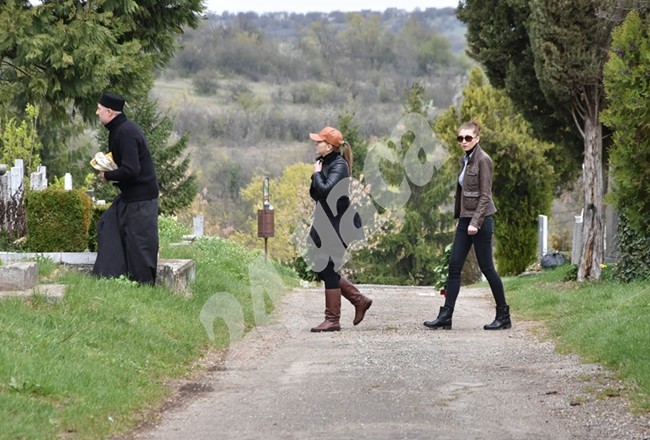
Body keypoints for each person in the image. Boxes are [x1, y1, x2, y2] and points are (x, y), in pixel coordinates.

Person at [424, 120, 511, 330]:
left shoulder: (483, 160)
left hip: (480, 221)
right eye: (460, 138)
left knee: (487, 268)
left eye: (468, 138)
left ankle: (503, 316)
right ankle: (446, 315)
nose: (463, 141)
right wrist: (465, 220)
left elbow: (485, 195)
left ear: (477, 139)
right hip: (465, 220)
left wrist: (475, 222)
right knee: (454, 267)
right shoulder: (465, 160)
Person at [306, 126, 372, 332]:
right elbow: (315, 194)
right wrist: (317, 175)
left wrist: (317, 175)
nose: (316, 144)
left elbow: (325, 190)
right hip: (325, 221)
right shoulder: (324, 163)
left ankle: (333, 319)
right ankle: (359, 300)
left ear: (329, 146)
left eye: (319, 141)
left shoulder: (339, 165)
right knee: (321, 266)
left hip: (339, 223)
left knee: (327, 267)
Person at [92, 92, 160, 285]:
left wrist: (107, 175)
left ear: (110, 112)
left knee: (139, 245)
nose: (97, 112)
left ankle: (144, 287)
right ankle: (109, 278)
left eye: (99, 109)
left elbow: (132, 169)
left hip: (141, 199)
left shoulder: (126, 132)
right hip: (130, 196)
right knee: (108, 225)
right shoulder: (118, 130)